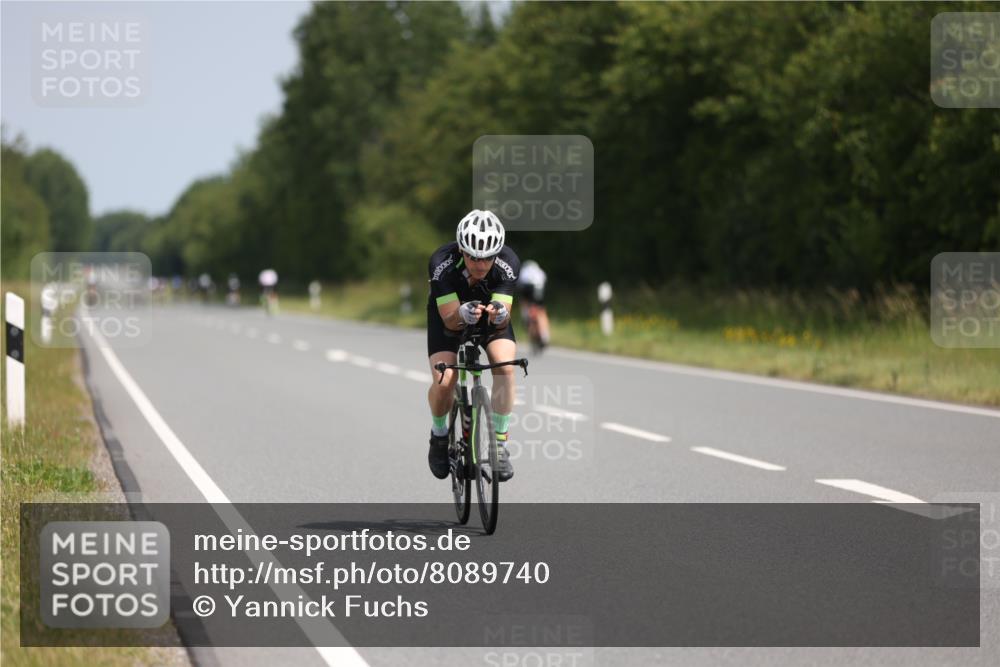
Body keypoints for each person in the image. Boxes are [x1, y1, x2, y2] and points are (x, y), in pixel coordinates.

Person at [426, 210, 520, 482]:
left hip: (488, 318)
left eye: (488, 258)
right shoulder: (441, 262)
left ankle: (499, 446)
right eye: (473, 257)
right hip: (449, 316)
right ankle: (439, 435)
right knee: (445, 380)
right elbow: (450, 320)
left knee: (505, 366)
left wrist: (501, 315)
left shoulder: (508, 262)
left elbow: (504, 318)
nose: (481, 265)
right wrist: (461, 314)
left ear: (497, 253)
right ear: (461, 250)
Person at [517, 259, 550, 352]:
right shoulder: (540, 271)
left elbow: (519, 288)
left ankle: (526, 318)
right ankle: (545, 336)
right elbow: (544, 282)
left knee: (525, 306)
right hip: (539, 289)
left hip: (526, 289)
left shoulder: (523, 271)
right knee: (541, 311)